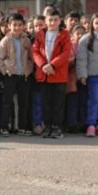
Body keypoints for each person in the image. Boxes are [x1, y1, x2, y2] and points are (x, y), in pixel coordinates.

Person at [32, 8, 71, 139]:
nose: (53, 22)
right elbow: (35, 51)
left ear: (60, 21)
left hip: (58, 74)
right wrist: (43, 65)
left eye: (55, 20)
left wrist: (53, 65)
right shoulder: (40, 34)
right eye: (50, 20)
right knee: (46, 103)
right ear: (46, 21)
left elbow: (66, 53)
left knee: (58, 104)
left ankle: (57, 127)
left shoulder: (65, 34)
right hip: (44, 74)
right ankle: (47, 126)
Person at [0, 13, 34, 136]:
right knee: (7, 102)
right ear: (9, 26)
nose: (17, 27)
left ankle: (22, 127)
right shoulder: (5, 40)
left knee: (24, 103)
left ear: (23, 26)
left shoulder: (26, 40)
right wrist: (5, 71)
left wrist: (28, 69)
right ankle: (4, 126)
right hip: (10, 76)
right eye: (14, 25)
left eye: (20, 25)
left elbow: (31, 58)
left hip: (23, 75)